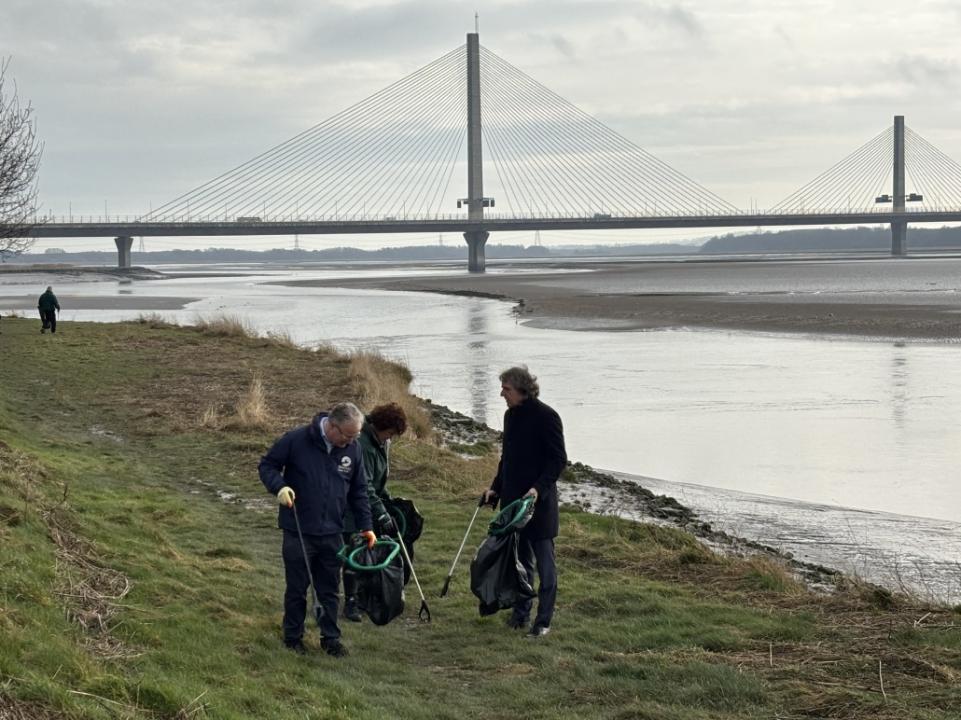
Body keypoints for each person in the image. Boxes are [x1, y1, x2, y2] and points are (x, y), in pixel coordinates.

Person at [258, 401, 376, 658]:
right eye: (348, 435)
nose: (352, 441)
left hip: (332, 530)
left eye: (356, 436)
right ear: (332, 427)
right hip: (298, 528)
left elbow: (359, 492)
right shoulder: (297, 440)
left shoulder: (352, 449)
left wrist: (367, 526)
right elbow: (267, 465)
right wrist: (279, 487)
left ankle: (331, 639)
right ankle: (293, 637)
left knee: (330, 588)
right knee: (297, 587)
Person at [483, 366, 567, 638]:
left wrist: (537, 490)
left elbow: (558, 460)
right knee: (521, 565)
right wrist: (495, 488)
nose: (501, 394)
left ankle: (543, 623)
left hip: (539, 506)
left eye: (506, 389)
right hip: (513, 505)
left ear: (522, 389)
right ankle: (520, 615)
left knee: (545, 567)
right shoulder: (510, 416)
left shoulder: (547, 417)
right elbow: (507, 458)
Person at [342, 402, 408, 622]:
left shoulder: (380, 442)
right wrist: (380, 512)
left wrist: (387, 499)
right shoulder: (363, 444)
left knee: (365, 548)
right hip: (350, 506)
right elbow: (365, 484)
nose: (390, 438)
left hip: (367, 503)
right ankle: (351, 602)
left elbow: (378, 481)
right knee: (355, 547)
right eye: (390, 433)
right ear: (381, 426)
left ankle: (365, 594)